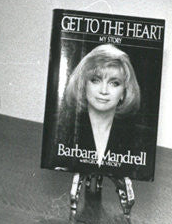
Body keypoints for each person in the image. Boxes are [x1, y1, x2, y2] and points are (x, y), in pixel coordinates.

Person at [57, 44, 146, 176]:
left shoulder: (140, 139)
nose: (103, 91)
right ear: (83, 85)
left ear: (123, 92)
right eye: (95, 80)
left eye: (114, 83)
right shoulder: (62, 131)